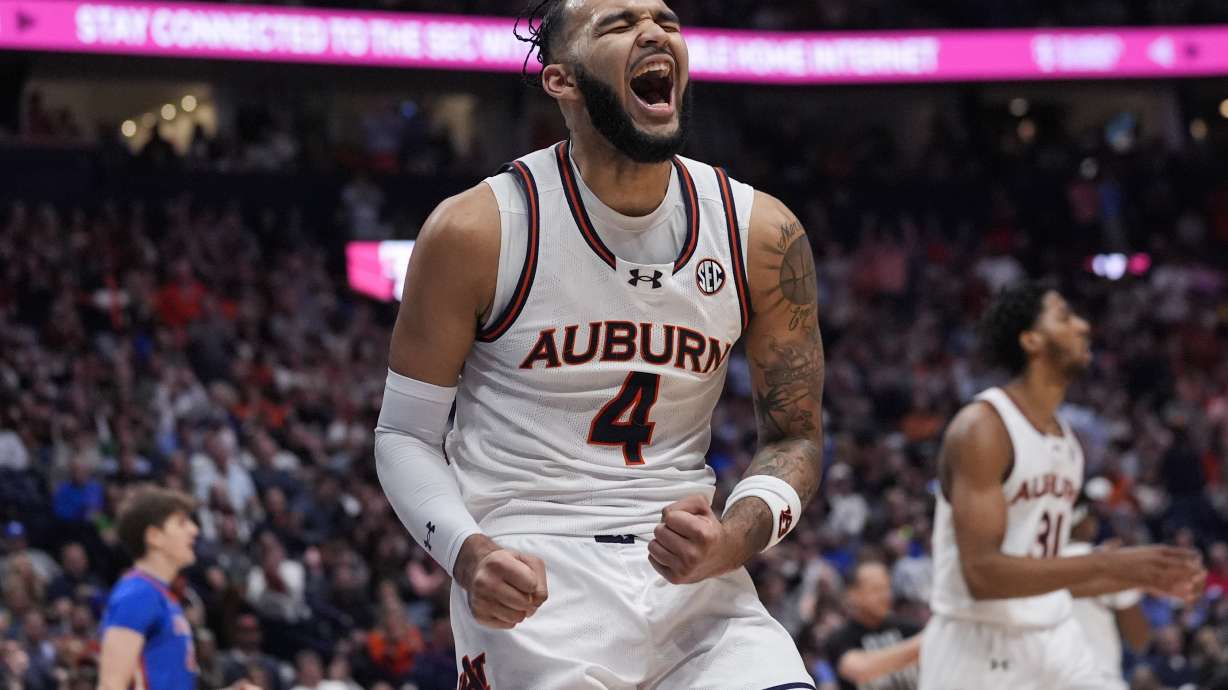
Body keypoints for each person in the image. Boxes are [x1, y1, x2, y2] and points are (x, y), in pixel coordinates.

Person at [374, 0, 826, 687]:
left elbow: (796, 436)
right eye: (618, 23)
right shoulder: (479, 229)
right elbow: (404, 435)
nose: (653, 32)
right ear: (562, 81)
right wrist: (467, 555)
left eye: (666, 21)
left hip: (694, 583)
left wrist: (733, 538)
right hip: (534, 582)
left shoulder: (761, 233)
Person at [920, 282, 1206, 690]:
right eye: (1065, 317)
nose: (1083, 326)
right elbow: (982, 575)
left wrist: (1144, 576)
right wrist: (1110, 564)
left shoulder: (1066, 441)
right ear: (1031, 340)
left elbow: (1044, 566)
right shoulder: (983, 428)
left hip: (1055, 636)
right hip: (980, 648)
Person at [97, 487, 259, 690]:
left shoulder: (163, 595)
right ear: (154, 537)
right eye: (182, 523)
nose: (194, 530)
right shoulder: (137, 594)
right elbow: (110, 686)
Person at [1063, 481, 1150, 686]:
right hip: (1097, 679)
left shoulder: (1029, 564)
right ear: (1085, 521)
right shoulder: (1107, 563)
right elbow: (1139, 639)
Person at [825, 559, 921, 690]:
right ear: (853, 594)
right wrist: (923, 642)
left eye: (887, 588)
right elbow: (860, 670)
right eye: (876, 589)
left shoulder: (909, 628)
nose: (885, 595)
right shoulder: (839, 639)